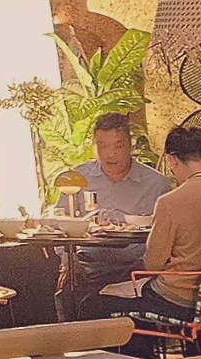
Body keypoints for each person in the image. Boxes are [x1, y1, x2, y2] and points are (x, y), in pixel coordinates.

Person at [79, 126, 201, 326]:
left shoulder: (170, 202)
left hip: (177, 299)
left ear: (172, 160)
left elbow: (153, 264)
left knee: (91, 304)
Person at [61, 112, 171, 320]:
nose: (110, 154)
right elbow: (60, 223)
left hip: (136, 270)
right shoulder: (77, 179)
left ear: (130, 145)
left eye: (118, 146)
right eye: (102, 145)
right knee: (61, 292)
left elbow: (168, 237)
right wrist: (67, 260)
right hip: (89, 266)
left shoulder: (156, 184)